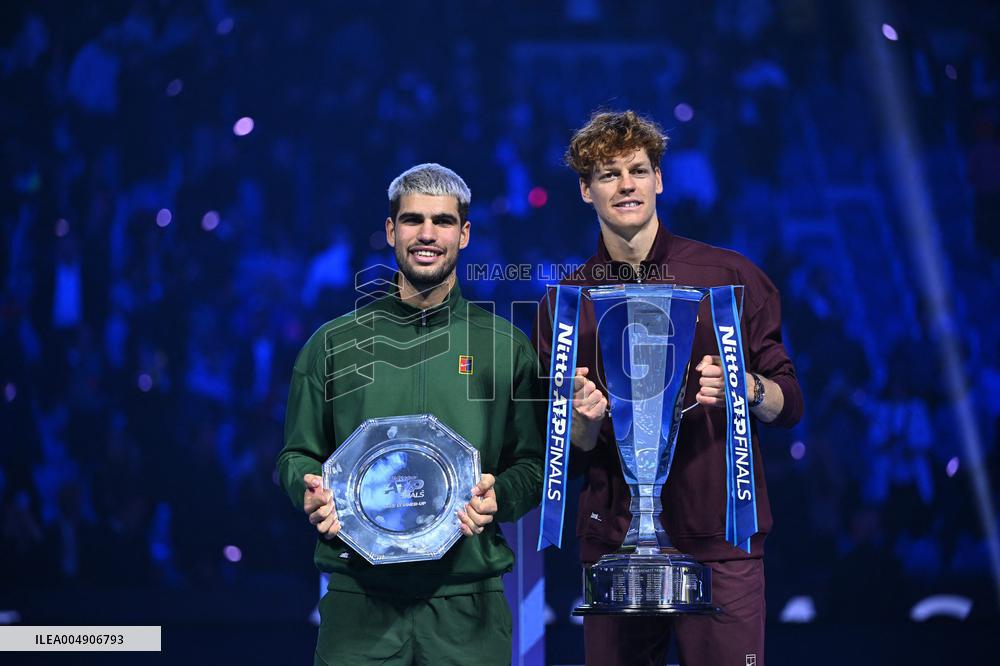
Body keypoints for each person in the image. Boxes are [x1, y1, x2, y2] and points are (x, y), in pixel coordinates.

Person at [534, 111, 804, 666]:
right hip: (614, 545)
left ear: (660, 179)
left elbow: (788, 403)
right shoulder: (565, 305)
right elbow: (568, 453)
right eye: (608, 174)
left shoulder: (730, 278)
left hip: (720, 540)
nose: (626, 185)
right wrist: (582, 420)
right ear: (586, 190)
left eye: (638, 170)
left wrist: (745, 388)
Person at [278, 163, 544, 666]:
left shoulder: (506, 347)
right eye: (412, 220)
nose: (427, 234)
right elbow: (296, 453)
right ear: (389, 231)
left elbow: (532, 465)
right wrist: (308, 489)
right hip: (360, 604)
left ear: (464, 234)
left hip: (469, 604)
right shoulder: (333, 345)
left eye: (442, 222)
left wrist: (499, 497)